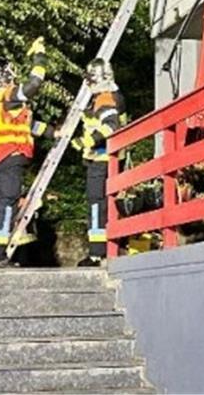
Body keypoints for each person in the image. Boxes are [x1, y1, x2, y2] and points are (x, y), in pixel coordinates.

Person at [0, 36, 50, 267]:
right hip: (12, 155)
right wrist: (39, 56)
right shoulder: (9, 95)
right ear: (4, 75)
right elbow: (34, 84)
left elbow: (28, 125)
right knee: (8, 202)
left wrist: (54, 133)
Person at [73, 58, 126, 266]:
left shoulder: (104, 98)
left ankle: (97, 253)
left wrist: (86, 141)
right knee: (106, 204)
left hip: (101, 158)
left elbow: (111, 126)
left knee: (96, 203)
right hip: (108, 159)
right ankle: (108, 249)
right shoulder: (112, 96)